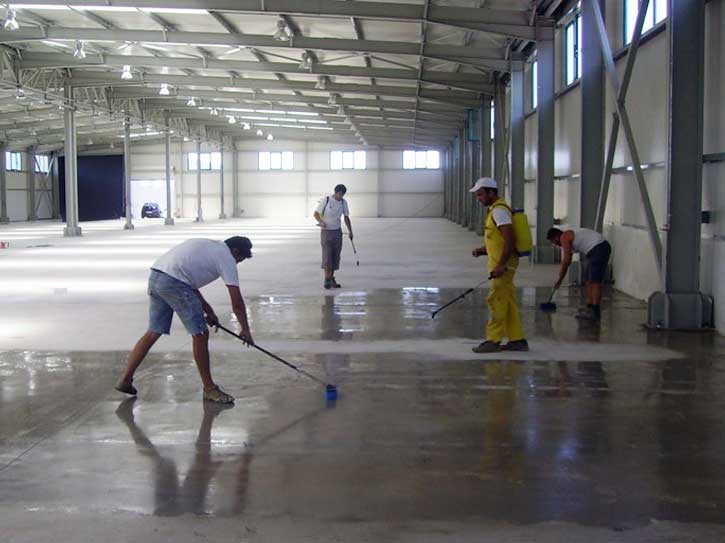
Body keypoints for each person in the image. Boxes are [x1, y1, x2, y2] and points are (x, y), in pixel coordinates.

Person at [115, 236, 255, 404]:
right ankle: (210, 389)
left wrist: (208, 310)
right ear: (235, 251)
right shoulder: (227, 258)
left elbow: (188, 281)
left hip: (157, 276)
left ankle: (125, 379)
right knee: (200, 334)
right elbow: (237, 302)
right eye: (239, 259)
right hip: (174, 283)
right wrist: (245, 329)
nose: (237, 263)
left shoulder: (207, 246)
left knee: (154, 331)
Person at [470, 177, 529, 353]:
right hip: (500, 264)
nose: (478, 198)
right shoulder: (495, 210)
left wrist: (501, 264)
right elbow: (499, 239)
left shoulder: (499, 211)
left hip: (503, 267)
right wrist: (484, 249)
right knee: (508, 301)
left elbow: (510, 239)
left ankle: (493, 340)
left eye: (480, 194)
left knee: (496, 300)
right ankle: (517, 340)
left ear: (491, 192)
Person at [547, 227, 612, 321]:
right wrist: (560, 278)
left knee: (595, 281)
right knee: (588, 280)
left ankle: (595, 312)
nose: (556, 244)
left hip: (599, 248)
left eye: (553, 241)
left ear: (556, 236)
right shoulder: (570, 237)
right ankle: (590, 307)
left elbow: (566, 260)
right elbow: (568, 258)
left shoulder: (564, 237)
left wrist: (559, 280)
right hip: (597, 249)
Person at [313, 184, 353, 290]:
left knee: (335, 257)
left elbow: (346, 217)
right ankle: (327, 279)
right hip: (326, 232)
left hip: (337, 233)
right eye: (340, 194)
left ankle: (331, 278)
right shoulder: (326, 200)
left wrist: (350, 231)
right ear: (335, 192)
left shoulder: (343, 202)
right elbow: (316, 214)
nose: (341, 197)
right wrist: (321, 222)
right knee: (327, 256)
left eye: (343, 195)